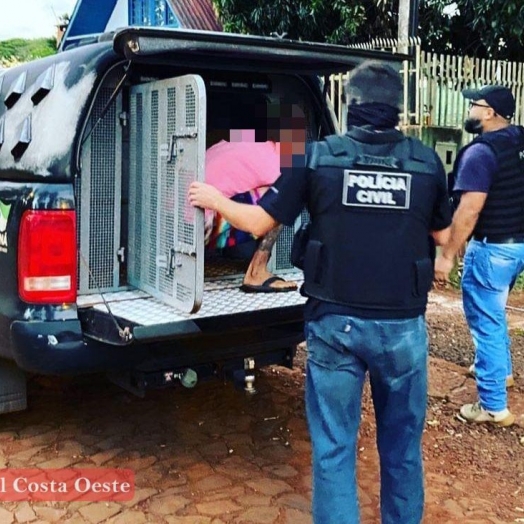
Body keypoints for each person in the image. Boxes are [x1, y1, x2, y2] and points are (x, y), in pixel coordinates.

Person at [189, 61, 452, 524]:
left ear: (350, 105)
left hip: (335, 326)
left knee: (333, 450)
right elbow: (442, 237)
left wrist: (213, 199)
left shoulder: (316, 157)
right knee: (403, 450)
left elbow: (257, 223)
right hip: (402, 329)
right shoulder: (425, 162)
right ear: (397, 110)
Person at [435, 85, 524, 427]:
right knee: (495, 309)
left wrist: (448, 255)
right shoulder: (519, 141)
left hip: (493, 247)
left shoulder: (480, 153)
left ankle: (492, 406)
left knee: (485, 320)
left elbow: (469, 211)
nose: (470, 110)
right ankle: (500, 372)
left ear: (489, 114)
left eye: (474, 105)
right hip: (517, 246)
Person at [205, 128, 298, 293]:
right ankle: (257, 272)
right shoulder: (277, 165)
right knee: (282, 198)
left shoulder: (241, 141)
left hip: (175, 229)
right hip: (200, 229)